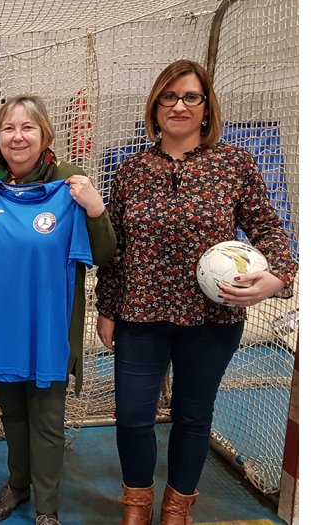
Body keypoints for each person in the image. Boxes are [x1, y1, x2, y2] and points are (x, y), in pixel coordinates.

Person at [94, 59, 297, 525]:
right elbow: (116, 249)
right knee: (132, 415)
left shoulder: (234, 164)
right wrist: (108, 309)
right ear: (155, 106)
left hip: (212, 320)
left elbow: (268, 229)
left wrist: (277, 277)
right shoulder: (131, 170)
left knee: (192, 415)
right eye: (169, 96)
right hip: (140, 314)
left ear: (206, 107)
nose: (179, 105)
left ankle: (176, 508)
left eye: (190, 96)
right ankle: (137, 504)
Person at [0, 95, 116, 525]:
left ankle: (47, 508)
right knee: (10, 412)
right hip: (0, 326)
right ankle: (17, 484)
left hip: (51, 326)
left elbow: (104, 253)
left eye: (27, 127)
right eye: (8, 128)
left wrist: (95, 207)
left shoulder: (69, 183)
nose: (17, 137)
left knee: (47, 419)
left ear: (45, 133)